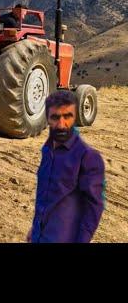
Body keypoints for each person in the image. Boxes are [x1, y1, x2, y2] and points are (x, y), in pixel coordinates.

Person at [27, 90, 105, 243]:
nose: (62, 125)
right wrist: (35, 228)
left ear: (75, 117)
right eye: (55, 117)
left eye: (67, 116)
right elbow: (47, 198)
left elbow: (93, 208)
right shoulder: (47, 150)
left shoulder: (88, 157)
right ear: (47, 119)